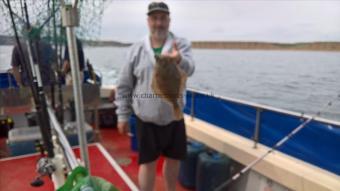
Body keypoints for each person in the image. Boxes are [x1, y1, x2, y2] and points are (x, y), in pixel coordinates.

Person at [115, 2, 195, 191]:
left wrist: (178, 59)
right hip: (146, 117)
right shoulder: (136, 50)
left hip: (174, 115)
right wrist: (122, 115)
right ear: (148, 21)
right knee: (147, 162)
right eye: (154, 18)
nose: (159, 23)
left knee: (174, 160)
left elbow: (190, 69)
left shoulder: (181, 45)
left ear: (169, 20)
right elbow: (125, 84)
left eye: (163, 18)